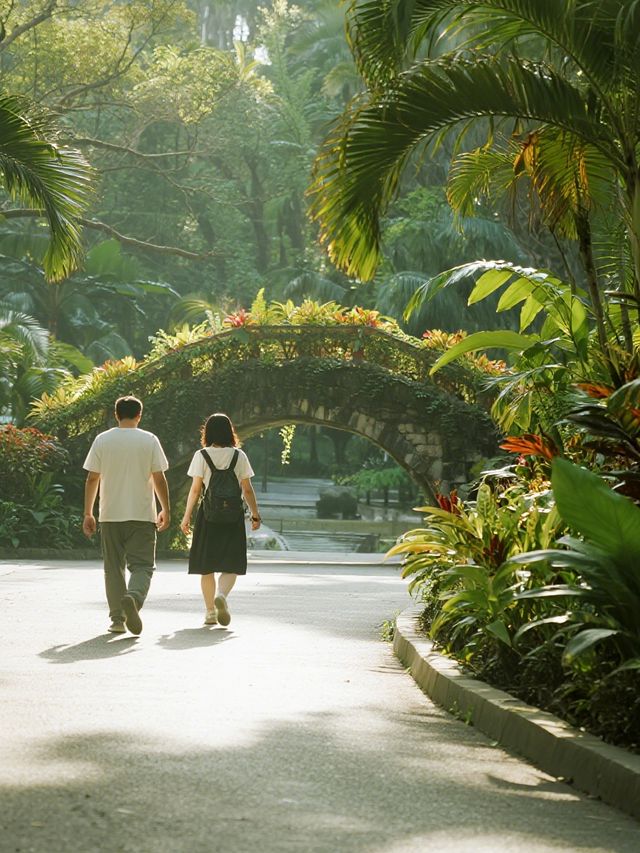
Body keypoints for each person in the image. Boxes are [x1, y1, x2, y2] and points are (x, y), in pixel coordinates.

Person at [82, 395, 170, 635]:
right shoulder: (149, 440)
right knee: (142, 566)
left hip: (110, 515)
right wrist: (166, 509)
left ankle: (117, 620)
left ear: (116, 414)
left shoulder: (102, 440)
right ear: (139, 415)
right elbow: (159, 478)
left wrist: (88, 513)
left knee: (113, 567)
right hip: (142, 514)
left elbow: (92, 478)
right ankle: (134, 597)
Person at [180, 412, 260, 627]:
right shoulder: (239, 456)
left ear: (208, 432)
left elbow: (196, 490)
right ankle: (222, 596)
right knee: (230, 563)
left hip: (208, 515)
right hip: (232, 516)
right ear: (229, 431)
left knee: (207, 566)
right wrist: (255, 514)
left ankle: (209, 613)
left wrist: (186, 517)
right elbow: (247, 489)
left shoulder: (201, 455)